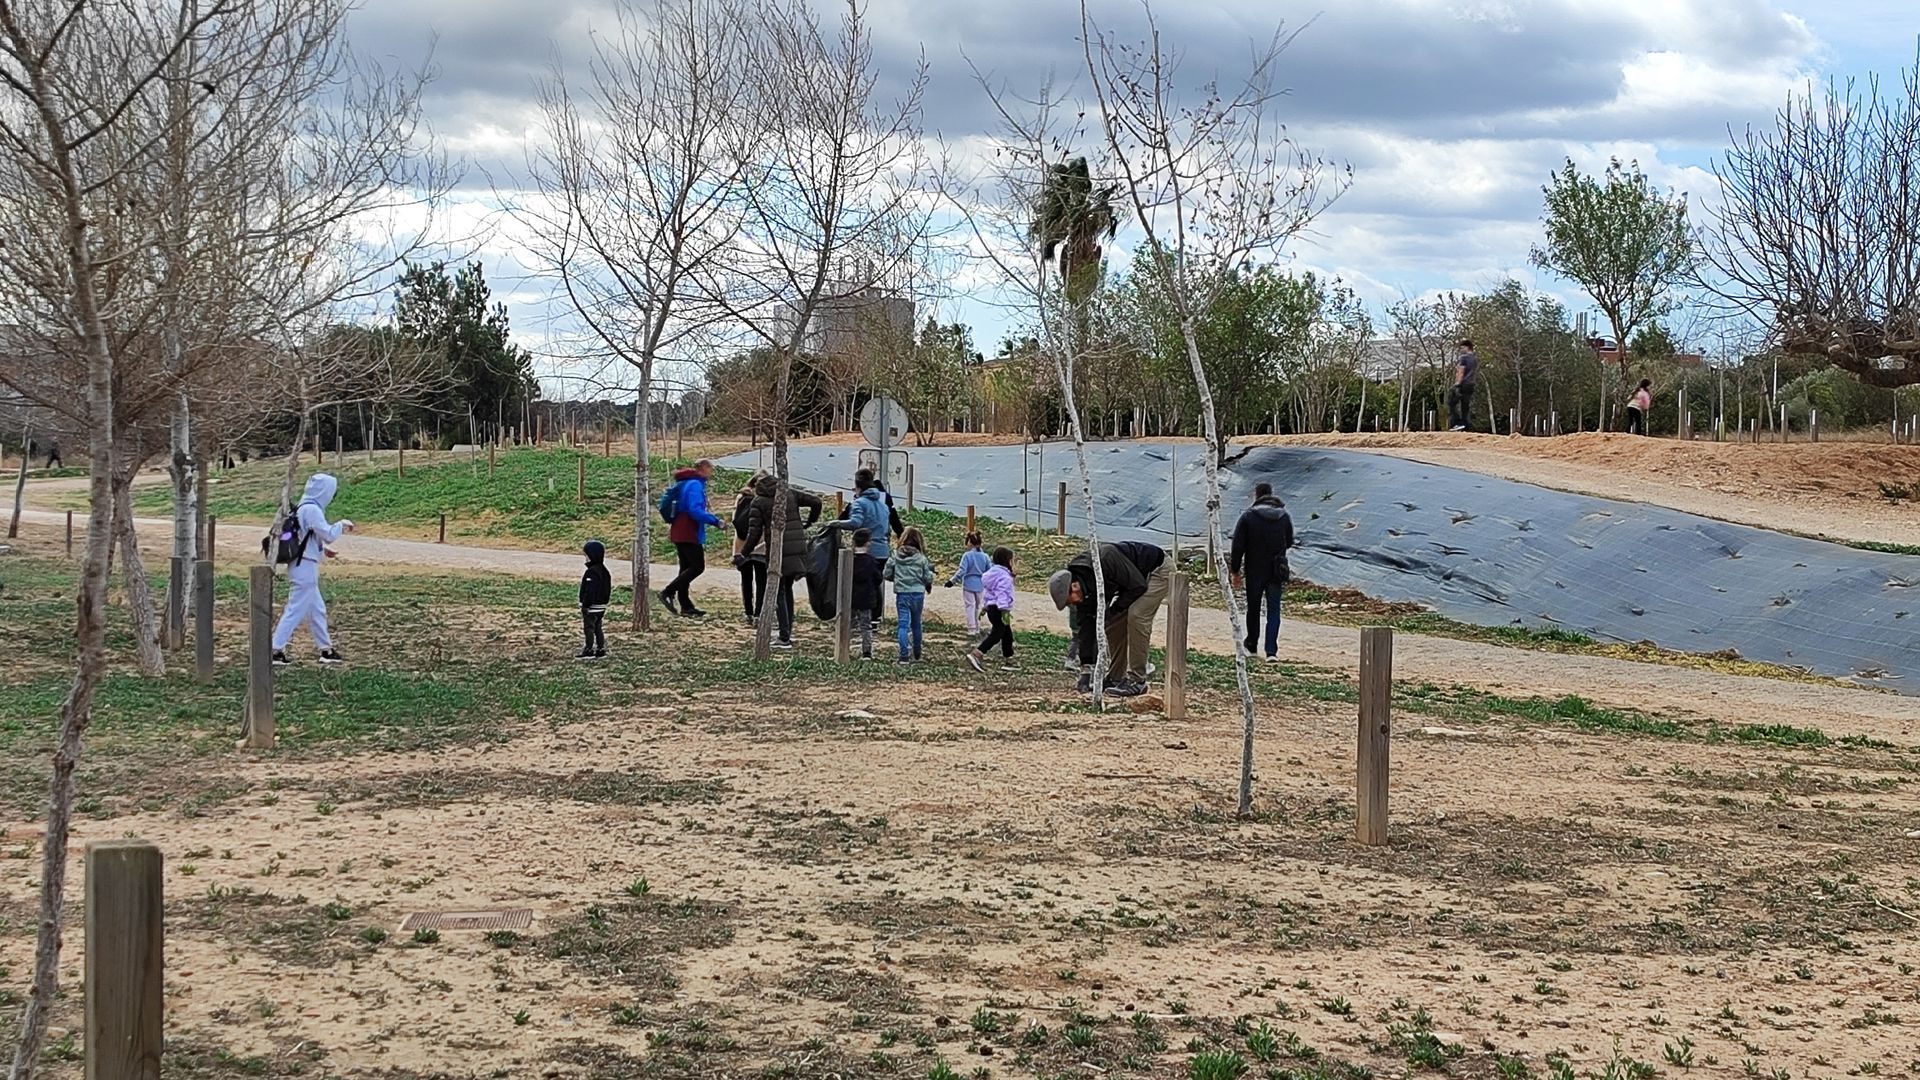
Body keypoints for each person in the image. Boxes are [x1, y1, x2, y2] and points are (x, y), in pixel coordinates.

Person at [1046, 541, 1168, 695]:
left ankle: (1137, 680)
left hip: (1157, 570)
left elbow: (1138, 586)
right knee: (1112, 624)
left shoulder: (1106, 559)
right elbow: (1086, 627)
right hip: (1135, 580)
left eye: (1070, 601)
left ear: (1074, 586)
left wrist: (1114, 609)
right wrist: (1085, 669)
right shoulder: (1084, 587)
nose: (1073, 604)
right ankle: (1116, 678)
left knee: (1137, 616)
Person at [270, 473, 354, 666]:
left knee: (317, 609)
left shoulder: (303, 507)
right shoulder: (312, 509)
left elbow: (307, 537)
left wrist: (323, 550)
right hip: (305, 566)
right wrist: (341, 525)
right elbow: (328, 534)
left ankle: (326, 649)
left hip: (303, 563)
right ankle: (275, 649)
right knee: (296, 608)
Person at [741, 473, 822, 649]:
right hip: (797, 547)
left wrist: (743, 553)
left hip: (778, 549)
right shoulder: (788, 493)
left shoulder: (759, 502)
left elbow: (754, 533)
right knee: (786, 589)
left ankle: (784, 636)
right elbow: (816, 501)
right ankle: (787, 631)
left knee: (779, 591)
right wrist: (810, 522)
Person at [1228, 482, 1295, 662]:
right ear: (1271, 494)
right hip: (1276, 569)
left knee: (1253, 608)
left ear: (1256, 495)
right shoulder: (1284, 516)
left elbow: (1238, 546)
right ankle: (1271, 651)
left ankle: (1251, 645)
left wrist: (1235, 571)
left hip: (1254, 568)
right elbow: (1289, 541)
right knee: (1274, 609)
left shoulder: (1248, 517)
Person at [661, 459, 725, 617]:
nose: (711, 472)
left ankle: (686, 606)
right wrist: (715, 521)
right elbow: (694, 510)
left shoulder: (686, 482)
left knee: (685, 568)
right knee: (697, 566)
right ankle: (668, 592)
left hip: (679, 528)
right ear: (703, 468)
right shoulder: (695, 484)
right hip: (688, 529)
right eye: (710, 468)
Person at [842, 467, 898, 621]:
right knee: (875, 584)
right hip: (883, 551)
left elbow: (855, 522)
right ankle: (875, 618)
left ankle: (858, 617)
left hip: (866, 551)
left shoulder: (859, 503)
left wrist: (834, 524)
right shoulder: (883, 504)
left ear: (857, 486)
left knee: (859, 585)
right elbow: (891, 525)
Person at [883, 525, 936, 663]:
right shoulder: (921, 558)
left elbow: (886, 573)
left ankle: (903, 655)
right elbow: (927, 577)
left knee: (903, 625)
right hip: (918, 594)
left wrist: (896, 578)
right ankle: (917, 652)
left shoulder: (895, 556)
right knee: (916, 623)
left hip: (902, 594)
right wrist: (932, 575)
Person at [965, 546, 1017, 672]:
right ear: (1007, 560)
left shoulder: (993, 574)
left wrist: (985, 607)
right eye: (1012, 560)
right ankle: (977, 653)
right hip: (1000, 609)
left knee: (1007, 634)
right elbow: (1002, 593)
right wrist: (1004, 610)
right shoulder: (1004, 577)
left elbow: (989, 593)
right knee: (997, 634)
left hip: (992, 608)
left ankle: (1009, 659)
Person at [730, 473, 767, 625]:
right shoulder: (766, 499)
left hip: (741, 545)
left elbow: (735, 520)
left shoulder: (741, 497)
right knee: (761, 581)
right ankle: (759, 614)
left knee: (746, 581)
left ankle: (748, 613)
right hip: (761, 546)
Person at [848, 527, 882, 660]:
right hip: (866, 598)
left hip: (850, 597)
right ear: (868, 543)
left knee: (848, 624)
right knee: (866, 626)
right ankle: (867, 652)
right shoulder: (871, 561)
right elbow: (878, 578)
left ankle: (844, 647)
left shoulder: (849, 559)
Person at [949, 532, 991, 632]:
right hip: (980, 585)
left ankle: (971, 628)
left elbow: (962, 571)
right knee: (978, 607)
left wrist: (952, 581)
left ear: (970, 543)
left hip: (968, 584)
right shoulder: (985, 556)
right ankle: (977, 627)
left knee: (970, 606)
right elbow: (989, 571)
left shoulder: (967, 556)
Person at [578, 540, 611, 660]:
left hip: (592, 607)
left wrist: (585, 605)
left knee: (589, 628)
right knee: (598, 628)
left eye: (587, 556)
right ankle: (600, 648)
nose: (586, 559)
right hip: (601, 606)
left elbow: (590, 591)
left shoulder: (591, 572)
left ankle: (589, 649)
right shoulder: (605, 571)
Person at [1448, 339, 1478, 432]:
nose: (1461, 350)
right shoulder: (1474, 359)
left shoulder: (1463, 358)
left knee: (1452, 403)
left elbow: (1461, 371)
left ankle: (1457, 422)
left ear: (1467, 347)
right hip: (1471, 384)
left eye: (1462, 348)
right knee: (1465, 405)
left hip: (1463, 383)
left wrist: (1457, 384)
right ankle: (1466, 424)